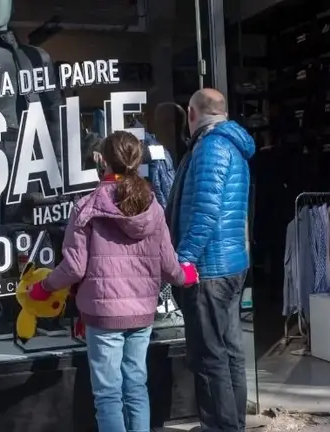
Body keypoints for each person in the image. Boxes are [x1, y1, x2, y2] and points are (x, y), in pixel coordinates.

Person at [28, 131, 199, 432]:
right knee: (136, 386)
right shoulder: (153, 207)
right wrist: (185, 275)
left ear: (102, 161)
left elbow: (74, 267)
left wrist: (43, 288)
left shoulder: (86, 207)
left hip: (104, 314)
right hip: (142, 312)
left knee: (108, 394)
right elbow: (169, 265)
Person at [167, 88, 255, 431]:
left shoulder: (211, 147)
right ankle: (232, 424)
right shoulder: (232, 145)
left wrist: (182, 261)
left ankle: (221, 427)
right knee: (229, 352)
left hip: (209, 270)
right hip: (230, 264)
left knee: (210, 357)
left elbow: (205, 211)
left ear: (192, 114)